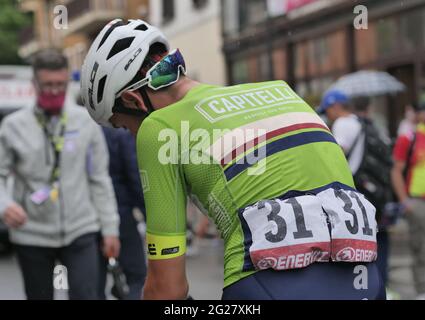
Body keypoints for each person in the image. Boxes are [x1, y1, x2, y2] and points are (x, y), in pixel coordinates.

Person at [81, 19, 384, 300]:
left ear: (134, 100)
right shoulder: (283, 92)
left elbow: (167, 288)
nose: (132, 136)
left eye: (124, 126)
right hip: (366, 279)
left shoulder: (159, 127)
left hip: (268, 287)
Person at [0, 49, 120, 300]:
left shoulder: (85, 123)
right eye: (47, 85)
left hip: (81, 230)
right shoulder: (12, 127)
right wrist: (4, 205)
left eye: (60, 85)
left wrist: (110, 229)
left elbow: (99, 178)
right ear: (34, 84)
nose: (54, 91)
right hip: (31, 233)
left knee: (87, 295)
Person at [318, 91, 394, 296]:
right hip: (376, 193)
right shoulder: (366, 122)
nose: (328, 116)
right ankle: (382, 287)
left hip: (358, 193)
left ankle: (359, 289)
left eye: (328, 111)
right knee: (380, 240)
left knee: (358, 245)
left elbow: (335, 156)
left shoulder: (342, 124)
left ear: (335, 107)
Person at [99, 127, 147, 300]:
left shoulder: (80, 131)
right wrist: (148, 216)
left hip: (88, 219)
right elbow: (134, 176)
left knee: (94, 284)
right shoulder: (119, 134)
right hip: (121, 214)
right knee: (137, 277)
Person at [392, 101, 425, 300]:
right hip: (418, 203)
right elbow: (396, 170)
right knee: (421, 247)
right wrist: (405, 201)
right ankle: (422, 289)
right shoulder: (409, 137)